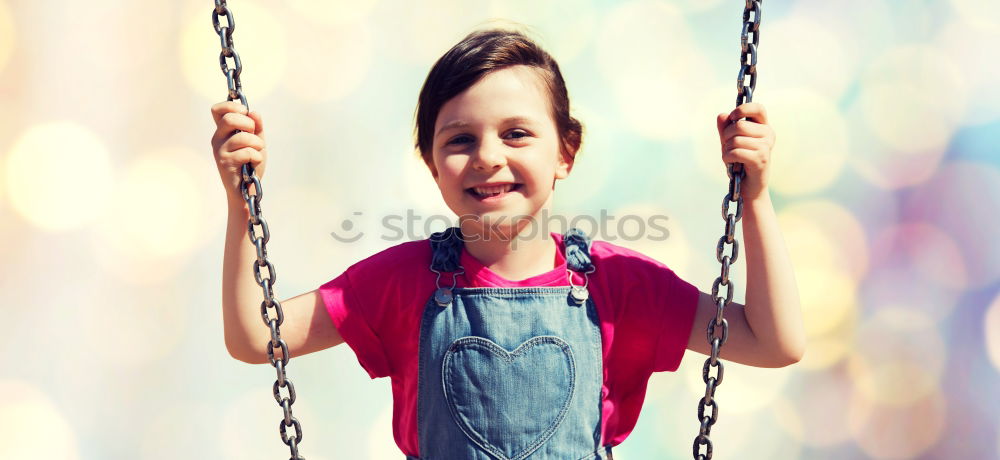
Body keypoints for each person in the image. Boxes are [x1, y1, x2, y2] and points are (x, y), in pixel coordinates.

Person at [211, 26, 804, 460]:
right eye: (460, 139)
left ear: (565, 152)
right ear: (432, 164)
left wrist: (753, 199)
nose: (488, 157)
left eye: (517, 133)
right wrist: (242, 205)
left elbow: (773, 342)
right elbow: (255, 338)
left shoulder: (619, 285)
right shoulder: (402, 281)